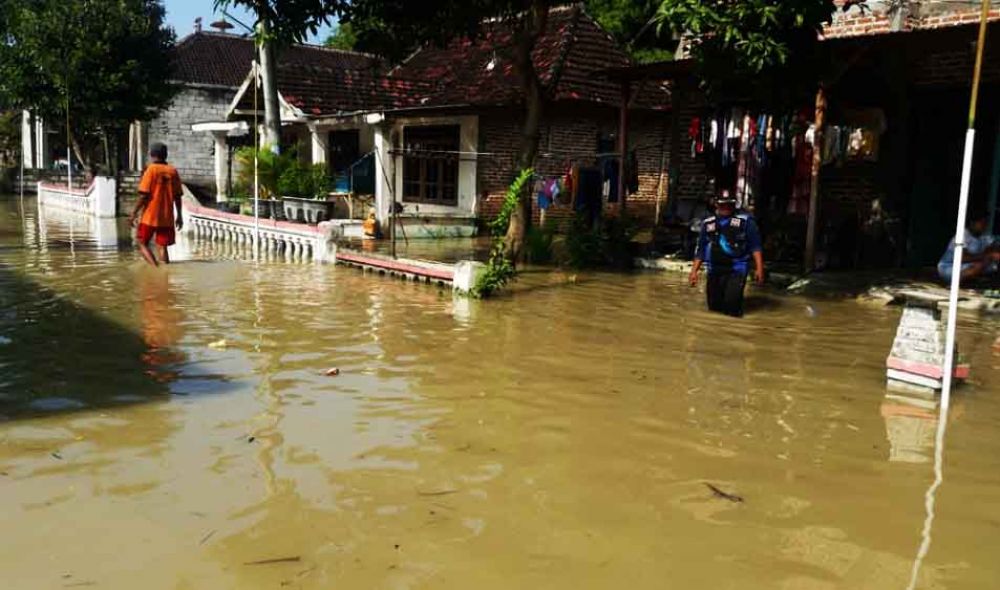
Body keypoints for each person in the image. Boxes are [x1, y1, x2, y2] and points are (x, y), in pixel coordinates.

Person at [688, 191, 765, 317]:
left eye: (729, 204)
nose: (726, 208)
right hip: (714, 270)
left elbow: (755, 246)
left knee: (732, 307)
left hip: (737, 269)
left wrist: (759, 269)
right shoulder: (708, 223)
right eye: (722, 205)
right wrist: (694, 271)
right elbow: (701, 249)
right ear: (716, 205)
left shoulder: (746, 222)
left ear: (734, 205)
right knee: (714, 308)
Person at [129, 142, 183, 266]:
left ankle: (155, 270)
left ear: (152, 155)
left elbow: (143, 195)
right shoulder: (172, 171)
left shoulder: (151, 170)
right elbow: (178, 196)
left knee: (141, 243)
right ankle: (164, 274)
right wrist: (179, 216)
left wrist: (133, 213)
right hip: (167, 217)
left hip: (150, 216)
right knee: (162, 246)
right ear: (166, 155)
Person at [937, 212, 999, 284]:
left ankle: (973, 280)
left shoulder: (984, 236)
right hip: (950, 267)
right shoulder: (962, 235)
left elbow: (993, 246)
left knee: (991, 265)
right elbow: (962, 258)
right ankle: (958, 283)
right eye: (982, 223)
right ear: (972, 223)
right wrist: (987, 255)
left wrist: (992, 252)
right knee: (980, 265)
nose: (984, 226)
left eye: (986, 223)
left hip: (967, 266)